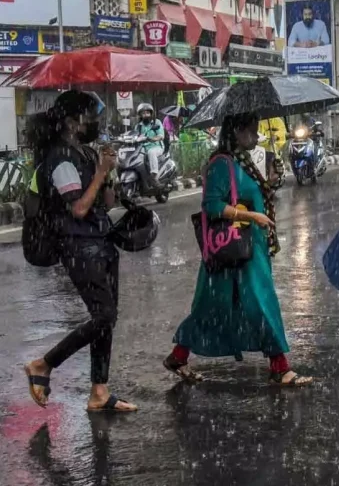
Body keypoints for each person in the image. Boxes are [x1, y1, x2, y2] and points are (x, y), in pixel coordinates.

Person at [163, 113, 312, 387]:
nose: (255, 138)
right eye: (251, 132)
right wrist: (253, 217)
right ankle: (280, 367)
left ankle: (178, 356)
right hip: (235, 251)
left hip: (245, 250)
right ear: (236, 132)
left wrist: (272, 178)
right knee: (260, 303)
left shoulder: (241, 162)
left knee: (211, 310)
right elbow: (212, 206)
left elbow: (253, 194)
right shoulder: (222, 164)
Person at [23, 90, 138, 413]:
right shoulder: (60, 157)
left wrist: (109, 170)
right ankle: (43, 364)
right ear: (73, 122)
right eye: (91, 116)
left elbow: (107, 203)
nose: (96, 122)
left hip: (101, 242)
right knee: (104, 315)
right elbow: (78, 208)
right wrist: (100, 172)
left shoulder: (86, 154)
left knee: (107, 319)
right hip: (77, 245)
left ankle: (99, 391)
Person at [135, 103, 166, 187]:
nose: (146, 115)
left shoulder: (157, 122)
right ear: (140, 115)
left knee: (151, 152)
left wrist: (151, 139)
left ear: (151, 114)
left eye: (147, 113)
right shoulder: (138, 126)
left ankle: (154, 176)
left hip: (157, 146)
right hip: (143, 148)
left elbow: (161, 136)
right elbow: (135, 136)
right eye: (143, 113)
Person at [258, 117, 286, 186]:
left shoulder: (277, 120)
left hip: (272, 148)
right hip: (258, 148)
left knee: (271, 154)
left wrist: (275, 136)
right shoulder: (257, 122)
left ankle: (272, 175)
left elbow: (282, 131)